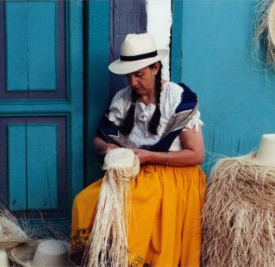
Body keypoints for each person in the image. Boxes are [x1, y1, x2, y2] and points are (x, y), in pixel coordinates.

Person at [69, 32, 206, 266]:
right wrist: (109, 149)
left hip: (173, 175)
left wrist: (149, 155)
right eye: (128, 76)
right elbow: (98, 140)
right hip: (135, 174)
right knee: (84, 201)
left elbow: (196, 155)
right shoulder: (124, 99)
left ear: (155, 67)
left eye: (139, 74)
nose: (133, 82)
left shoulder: (176, 98)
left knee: (134, 212)